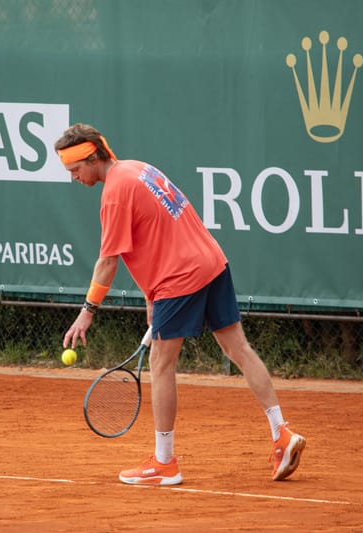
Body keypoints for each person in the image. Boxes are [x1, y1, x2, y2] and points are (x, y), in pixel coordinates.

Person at [56, 123, 305, 485]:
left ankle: (164, 463)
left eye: (75, 170)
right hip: (211, 262)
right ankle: (281, 433)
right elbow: (154, 235)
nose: (74, 177)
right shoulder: (139, 169)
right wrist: (151, 298)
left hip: (180, 276)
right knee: (239, 348)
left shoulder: (114, 192)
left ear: (92, 158)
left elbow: (108, 262)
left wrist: (86, 313)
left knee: (161, 363)